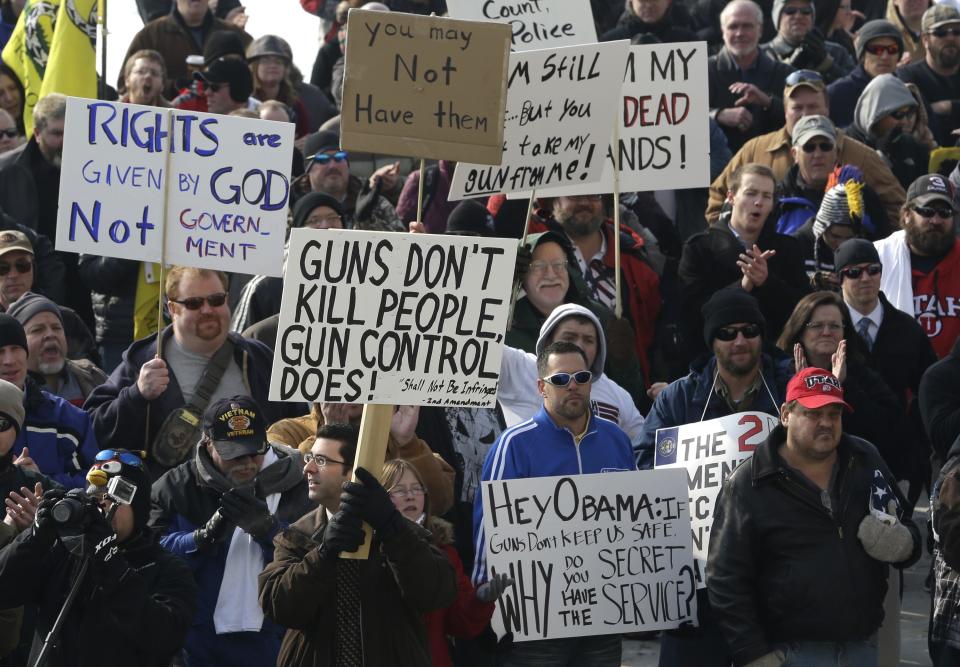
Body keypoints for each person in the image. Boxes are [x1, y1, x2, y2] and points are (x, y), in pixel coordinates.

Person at [707, 367, 920, 665]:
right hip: (788, 653)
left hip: (862, 647)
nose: (826, 423)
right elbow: (725, 578)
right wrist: (752, 654)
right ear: (785, 414)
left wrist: (902, 543)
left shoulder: (864, 459)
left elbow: (908, 528)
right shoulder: (749, 483)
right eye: (813, 413)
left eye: (834, 414)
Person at [638, 288, 792, 665]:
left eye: (749, 330)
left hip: (772, 578)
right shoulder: (677, 398)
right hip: (696, 584)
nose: (739, 340)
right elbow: (643, 466)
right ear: (711, 341)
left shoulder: (790, 391)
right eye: (727, 332)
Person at [473, 340, 635, 665]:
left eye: (582, 377)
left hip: (605, 614)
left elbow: (636, 521)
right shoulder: (514, 445)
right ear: (541, 387)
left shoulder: (616, 438)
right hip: (538, 623)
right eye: (561, 380)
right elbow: (489, 525)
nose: (573, 386)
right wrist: (483, 582)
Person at [258, 422, 458, 666]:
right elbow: (280, 608)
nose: (308, 468)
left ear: (352, 471)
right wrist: (323, 554)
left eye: (321, 461)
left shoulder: (403, 531)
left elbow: (436, 594)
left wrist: (392, 529)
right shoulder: (299, 536)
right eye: (309, 458)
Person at [84, 266, 304, 478]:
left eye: (216, 300)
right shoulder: (144, 360)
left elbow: (298, 422)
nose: (207, 310)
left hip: (257, 498)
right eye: (194, 303)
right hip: (178, 506)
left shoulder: (257, 357)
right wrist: (136, 395)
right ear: (172, 309)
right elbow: (93, 429)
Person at [150, 395, 313, 667]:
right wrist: (201, 539)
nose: (246, 463)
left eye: (253, 452)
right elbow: (149, 555)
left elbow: (317, 560)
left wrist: (271, 532)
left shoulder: (303, 483)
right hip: (197, 646)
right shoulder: (175, 487)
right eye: (234, 454)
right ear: (207, 442)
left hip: (279, 639)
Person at [0, 448, 197, 666]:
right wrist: (34, 539)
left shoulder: (167, 568)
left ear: (138, 508)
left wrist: (111, 563)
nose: (102, 505)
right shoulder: (65, 552)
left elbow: (165, 637)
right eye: (94, 497)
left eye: (114, 498)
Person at [707, 69, 906, 226]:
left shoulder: (862, 156)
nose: (806, 115)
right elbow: (718, 197)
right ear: (785, 111)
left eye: (813, 107)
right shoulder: (755, 151)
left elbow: (898, 208)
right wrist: (733, 243)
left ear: (827, 108)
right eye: (797, 108)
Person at [835, 238, 937, 500]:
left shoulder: (907, 329)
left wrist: (917, 446)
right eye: (854, 272)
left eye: (873, 269)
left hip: (898, 455)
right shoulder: (827, 328)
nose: (866, 278)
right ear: (840, 279)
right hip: (840, 452)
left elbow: (929, 390)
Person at [379, 459, 506, 667]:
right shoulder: (367, 550)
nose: (411, 496)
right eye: (399, 490)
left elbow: (458, 624)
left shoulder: (444, 551)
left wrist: (479, 601)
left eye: (417, 488)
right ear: (380, 499)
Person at [680, 163, 809, 363]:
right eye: (751, 193)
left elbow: (802, 310)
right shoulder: (699, 249)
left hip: (776, 361)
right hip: (714, 362)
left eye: (767, 196)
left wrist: (767, 282)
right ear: (731, 197)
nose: (758, 202)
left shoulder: (788, 248)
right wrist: (741, 287)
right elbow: (691, 314)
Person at [525, 194, 661, 382]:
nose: (584, 202)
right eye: (574, 195)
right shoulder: (529, 247)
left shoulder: (634, 260)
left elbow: (652, 333)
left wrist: (626, 362)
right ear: (553, 201)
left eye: (593, 195)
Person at [777, 291, 910, 481]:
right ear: (800, 330)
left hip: (853, 479)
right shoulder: (779, 373)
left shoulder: (862, 373)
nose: (826, 332)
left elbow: (892, 430)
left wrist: (842, 389)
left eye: (834, 326)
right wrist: (801, 392)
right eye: (817, 325)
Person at [496, 303, 647, 457]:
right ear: (548, 342)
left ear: (599, 347)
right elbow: (477, 339)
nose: (579, 346)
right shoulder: (520, 368)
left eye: (588, 340)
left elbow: (643, 451)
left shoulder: (618, 395)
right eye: (569, 337)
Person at [0, 94, 93, 327]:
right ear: (37, 133)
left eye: (71, 133)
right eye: (57, 133)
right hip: (24, 289)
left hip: (81, 285)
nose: (65, 141)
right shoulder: (7, 171)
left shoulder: (93, 171)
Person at [0, 314, 99, 490]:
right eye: (0, 351)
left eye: (15, 348)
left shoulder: (69, 418)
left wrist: (42, 482)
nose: (9, 360)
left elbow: (94, 483)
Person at [875, 173, 960, 358]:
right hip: (896, 378)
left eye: (945, 213)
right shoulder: (879, 258)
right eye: (927, 211)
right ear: (906, 214)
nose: (936, 220)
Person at [710, 0, 795, 153]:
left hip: (771, 163)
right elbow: (682, 117)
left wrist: (768, 102)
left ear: (760, 30)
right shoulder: (703, 71)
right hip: (718, 169)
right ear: (723, 31)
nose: (739, 33)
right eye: (733, 26)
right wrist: (717, 115)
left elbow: (802, 117)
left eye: (747, 26)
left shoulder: (784, 74)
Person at [121, 0, 251, 98]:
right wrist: (173, 87)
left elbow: (257, 78)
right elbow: (124, 85)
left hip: (224, 123)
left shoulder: (235, 36)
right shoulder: (150, 35)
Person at [298, 129, 405, 232]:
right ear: (308, 168)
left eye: (339, 157)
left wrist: (364, 222)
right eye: (323, 159)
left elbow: (400, 244)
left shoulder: (374, 203)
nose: (332, 165)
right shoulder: (288, 203)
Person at [9, 293, 106, 407]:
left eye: (56, 328)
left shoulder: (92, 375)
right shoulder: (9, 390)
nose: (50, 334)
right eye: (37, 330)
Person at [846, 73, 928, 189]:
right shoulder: (845, 145)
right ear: (876, 113)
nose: (905, 121)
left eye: (908, 113)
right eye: (898, 114)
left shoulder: (909, 145)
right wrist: (881, 156)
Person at [897, 4, 960, 147]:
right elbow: (922, 121)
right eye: (941, 33)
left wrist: (949, 106)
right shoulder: (908, 76)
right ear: (925, 39)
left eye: (957, 31)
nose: (950, 37)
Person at [828, 20, 905, 128]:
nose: (885, 56)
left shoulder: (906, 91)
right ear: (862, 55)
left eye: (892, 49)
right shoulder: (837, 93)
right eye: (876, 50)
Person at [761, 0, 856, 82]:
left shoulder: (837, 52)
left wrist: (826, 63)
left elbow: (855, 89)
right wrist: (790, 67)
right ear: (777, 17)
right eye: (790, 11)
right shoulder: (762, 54)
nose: (798, 16)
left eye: (805, 11)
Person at [246, 35, 309, 137]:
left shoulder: (296, 105)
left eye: (278, 61)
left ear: (286, 69)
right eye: (265, 61)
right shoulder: (245, 102)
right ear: (254, 67)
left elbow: (304, 136)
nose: (273, 65)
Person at [600, 0, 698, 43]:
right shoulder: (610, 41)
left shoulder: (688, 41)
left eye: (654, 0)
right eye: (642, 0)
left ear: (668, 1)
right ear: (631, 1)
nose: (648, 5)